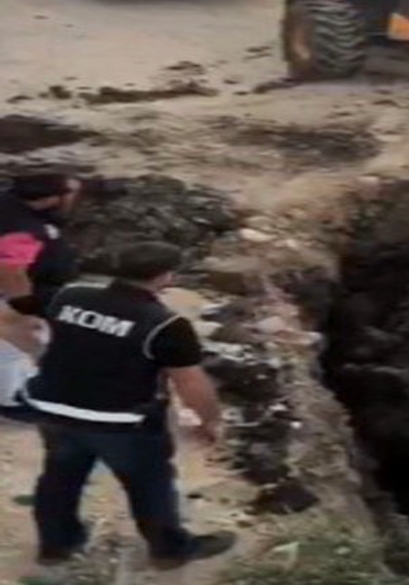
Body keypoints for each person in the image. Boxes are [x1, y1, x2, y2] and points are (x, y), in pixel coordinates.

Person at [0, 241, 236, 569]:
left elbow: (7, 317)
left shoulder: (68, 296)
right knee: (149, 485)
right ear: (165, 277)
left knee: (59, 478)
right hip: (122, 422)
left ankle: (56, 546)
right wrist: (210, 420)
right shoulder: (165, 325)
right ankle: (169, 551)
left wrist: (38, 353)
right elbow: (190, 383)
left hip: (54, 410)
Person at [0, 174, 82, 407]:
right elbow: (10, 271)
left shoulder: (9, 200)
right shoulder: (23, 229)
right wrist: (25, 310)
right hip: (19, 293)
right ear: (49, 200)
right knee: (14, 344)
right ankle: (10, 400)